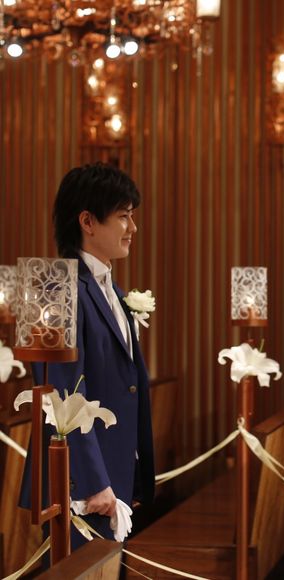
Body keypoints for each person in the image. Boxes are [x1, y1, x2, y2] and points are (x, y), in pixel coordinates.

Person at [19, 163, 155, 549]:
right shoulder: (54, 288)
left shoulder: (114, 289)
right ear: (88, 221)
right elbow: (61, 396)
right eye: (123, 216)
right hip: (81, 483)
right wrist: (94, 482)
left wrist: (133, 471)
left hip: (116, 474)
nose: (132, 228)